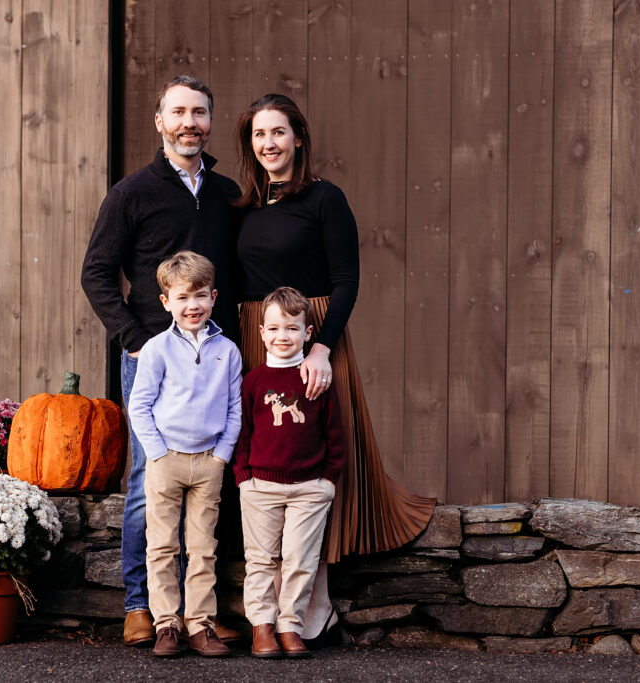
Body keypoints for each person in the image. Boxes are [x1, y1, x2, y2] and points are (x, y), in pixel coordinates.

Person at [233, 93, 438, 645]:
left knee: (312, 460)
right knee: (269, 462)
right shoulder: (243, 207)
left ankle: (312, 602)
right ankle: (273, 610)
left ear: (298, 137)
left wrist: (321, 346)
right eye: (258, 135)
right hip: (261, 340)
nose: (269, 143)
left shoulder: (326, 199)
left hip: (313, 336)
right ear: (249, 145)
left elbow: (347, 280)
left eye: (278, 132)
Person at [81, 75, 241, 648]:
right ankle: (140, 605)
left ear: (210, 121)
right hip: (153, 358)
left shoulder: (227, 194)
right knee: (150, 484)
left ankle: (203, 611)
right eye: (177, 113)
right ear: (159, 122)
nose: (188, 123)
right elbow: (96, 271)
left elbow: (239, 276)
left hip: (213, 359)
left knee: (211, 484)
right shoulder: (132, 192)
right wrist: (132, 337)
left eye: (198, 113)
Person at [126, 251, 243, 657]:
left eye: (199, 296)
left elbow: (234, 407)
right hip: (166, 460)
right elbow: (139, 405)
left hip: (209, 461)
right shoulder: (157, 349)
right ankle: (166, 624)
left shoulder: (227, 350)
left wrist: (222, 455)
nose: (191, 306)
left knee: (202, 547)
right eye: (181, 298)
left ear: (213, 296)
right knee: (161, 546)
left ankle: (201, 624)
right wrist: (156, 453)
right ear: (166, 302)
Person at [233, 287, 346, 658]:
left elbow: (334, 433)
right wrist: (243, 479)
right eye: (275, 328)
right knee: (261, 560)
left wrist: (328, 480)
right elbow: (243, 432)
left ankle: (290, 626)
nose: (284, 336)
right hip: (260, 486)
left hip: (310, 488)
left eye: (293, 329)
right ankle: (262, 627)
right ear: (262, 333)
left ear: (308, 333)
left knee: (300, 560)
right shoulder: (253, 382)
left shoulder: (316, 379)